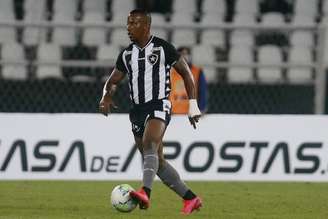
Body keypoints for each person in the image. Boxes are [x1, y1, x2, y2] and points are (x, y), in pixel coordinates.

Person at [99, 9, 202, 215]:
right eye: (128, 23)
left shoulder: (163, 48)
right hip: (137, 111)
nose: (129, 28)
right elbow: (113, 81)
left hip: (159, 104)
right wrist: (106, 97)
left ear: (146, 26)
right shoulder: (127, 54)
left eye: (134, 24)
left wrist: (193, 105)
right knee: (157, 162)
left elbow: (186, 74)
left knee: (149, 144)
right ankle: (191, 199)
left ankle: (145, 192)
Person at [170, 46, 207, 114]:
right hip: (174, 113)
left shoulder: (197, 72)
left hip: (192, 112)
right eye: (181, 54)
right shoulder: (171, 72)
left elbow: (202, 91)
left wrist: (202, 108)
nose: (184, 56)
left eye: (185, 54)